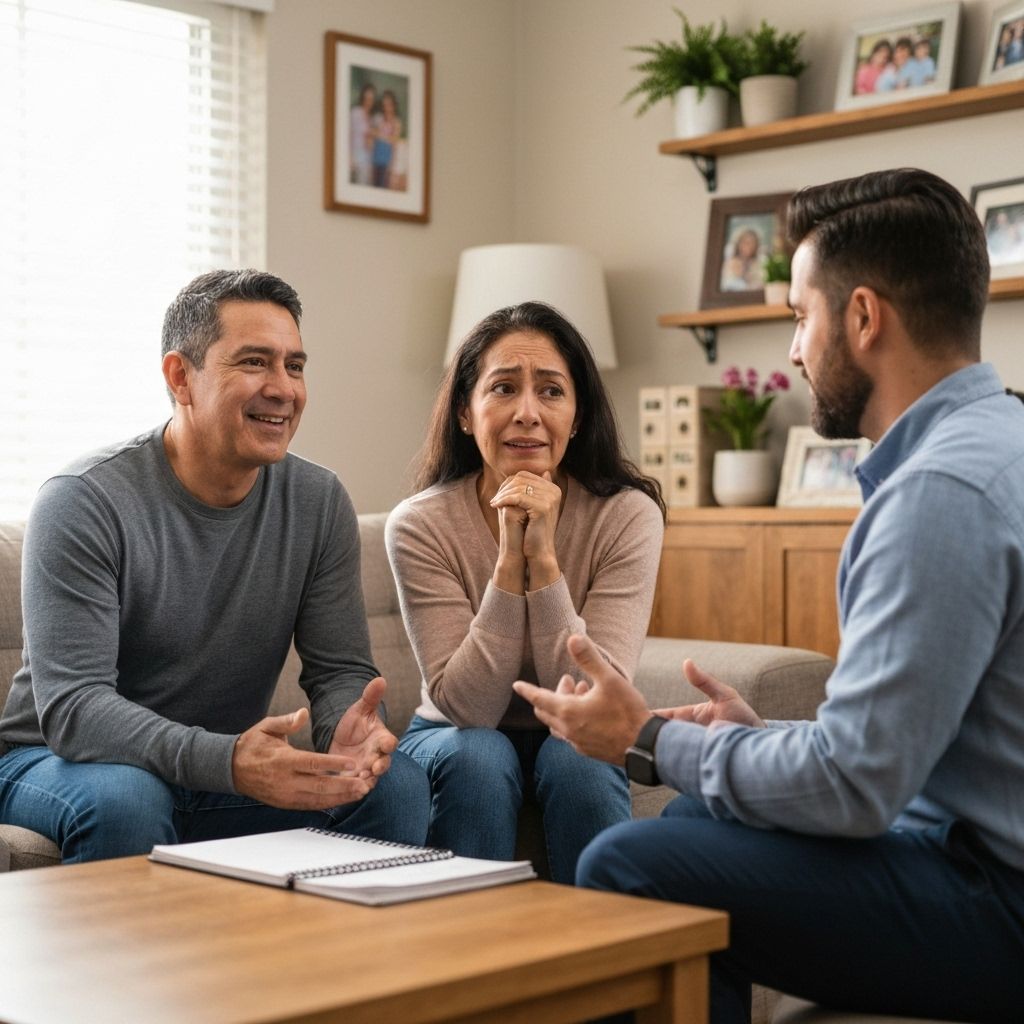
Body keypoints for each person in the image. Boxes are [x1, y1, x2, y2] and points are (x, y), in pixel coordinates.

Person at [514, 169, 1024, 1022]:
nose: (792, 350)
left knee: (630, 864)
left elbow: (857, 790)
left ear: (862, 318)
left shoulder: (940, 496)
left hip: (999, 898)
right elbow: (912, 734)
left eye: (799, 316)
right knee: (687, 831)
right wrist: (764, 741)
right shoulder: (1002, 437)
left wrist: (642, 739)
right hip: (976, 845)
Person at [0, 269, 430, 863]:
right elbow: (75, 710)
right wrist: (228, 760)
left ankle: (332, 961)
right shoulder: (83, 499)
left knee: (394, 786)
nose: (284, 389)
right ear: (181, 377)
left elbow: (340, 674)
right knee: (128, 797)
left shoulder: (318, 501)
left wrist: (348, 731)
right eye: (254, 362)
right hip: (59, 763)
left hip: (214, 774)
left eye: (295, 366)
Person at [386, 301, 665, 884]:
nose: (528, 413)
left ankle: (601, 960)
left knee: (580, 757)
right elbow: (469, 708)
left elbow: (590, 691)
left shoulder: (626, 515)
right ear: (466, 412)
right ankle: (475, 963)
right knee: (480, 756)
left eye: (552, 392)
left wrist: (544, 558)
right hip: (451, 733)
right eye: (504, 388)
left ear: (579, 415)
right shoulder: (419, 523)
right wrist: (512, 559)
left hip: (577, 729)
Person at [371, 90, 401, 189]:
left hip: (386, 160)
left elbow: (394, 142)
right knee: (374, 186)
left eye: (389, 104)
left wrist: (392, 165)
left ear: (393, 105)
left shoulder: (396, 122)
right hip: (375, 158)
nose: (386, 107)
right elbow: (372, 134)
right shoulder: (379, 118)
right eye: (384, 105)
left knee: (382, 187)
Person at [349, 82, 376, 185]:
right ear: (362, 98)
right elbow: (349, 134)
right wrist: (349, 157)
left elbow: (371, 139)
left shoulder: (372, 118)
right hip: (356, 154)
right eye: (366, 98)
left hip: (368, 159)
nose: (368, 102)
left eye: (371, 99)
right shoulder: (355, 112)